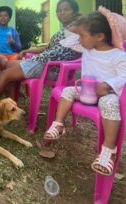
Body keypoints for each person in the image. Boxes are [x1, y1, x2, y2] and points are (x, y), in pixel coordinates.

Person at [44, 11, 126, 176]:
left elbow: (123, 76)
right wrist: (79, 26)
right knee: (67, 91)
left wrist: (108, 85)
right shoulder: (87, 47)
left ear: (100, 36)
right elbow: (67, 40)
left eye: (82, 35)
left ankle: (108, 149)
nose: (79, 39)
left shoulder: (118, 56)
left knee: (109, 104)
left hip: (107, 95)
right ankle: (59, 124)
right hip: (86, 91)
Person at [0, 0, 81, 110]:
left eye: (66, 10)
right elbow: (47, 48)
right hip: (41, 61)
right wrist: (25, 51)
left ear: (75, 12)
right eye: (59, 10)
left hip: (51, 67)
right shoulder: (64, 29)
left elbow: (89, 29)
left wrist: (14, 43)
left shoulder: (79, 27)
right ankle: (12, 100)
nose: (62, 13)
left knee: (5, 74)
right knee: (9, 66)